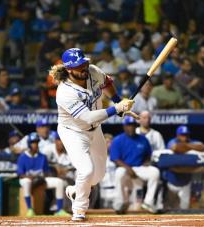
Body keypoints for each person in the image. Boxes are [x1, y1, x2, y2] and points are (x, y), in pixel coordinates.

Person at [49, 48, 136, 221]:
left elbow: (107, 83)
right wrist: (116, 109)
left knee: (97, 177)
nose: (83, 68)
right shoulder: (65, 92)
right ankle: (79, 211)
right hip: (73, 132)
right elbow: (87, 117)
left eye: (84, 63)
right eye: (78, 66)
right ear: (68, 69)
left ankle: (74, 191)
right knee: (86, 170)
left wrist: (119, 102)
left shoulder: (93, 71)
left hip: (95, 129)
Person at [110, 116, 160, 214]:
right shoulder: (118, 140)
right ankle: (120, 202)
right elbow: (115, 159)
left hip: (139, 168)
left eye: (133, 125)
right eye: (129, 125)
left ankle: (148, 202)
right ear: (124, 126)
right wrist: (128, 168)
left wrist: (147, 162)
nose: (131, 127)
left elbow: (148, 155)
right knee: (118, 173)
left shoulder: (143, 139)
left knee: (155, 172)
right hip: (124, 168)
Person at [17, 132, 69, 217]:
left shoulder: (42, 156)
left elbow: (46, 172)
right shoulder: (23, 157)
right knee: (26, 182)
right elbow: (20, 174)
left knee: (59, 182)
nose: (35, 144)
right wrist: (32, 177)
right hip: (27, 179)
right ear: (29, 144)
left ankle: (59, 210)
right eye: (33, 142)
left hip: (40, 179)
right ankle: (30, 210)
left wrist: (44, 177)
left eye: (37, 142)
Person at [163, 125, 204, 209]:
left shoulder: (191, 142)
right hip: (172, 184)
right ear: (178, 135)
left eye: (186, 135)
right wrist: (190, 147)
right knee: (169, 210)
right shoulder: (172, 141)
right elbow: (175, 148)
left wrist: (186, 146)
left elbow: (202, 146)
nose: (185, 137)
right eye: (182, 135)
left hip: (185, 184)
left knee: (184, 210)